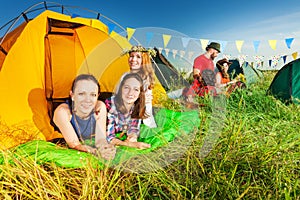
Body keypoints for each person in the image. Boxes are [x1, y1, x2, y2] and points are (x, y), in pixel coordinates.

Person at [53, 74, 116, 160]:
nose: (88, 100)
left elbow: (101, 140)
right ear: (72, 95)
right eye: (82, 94)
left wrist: (106, 150)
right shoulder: (62, 112)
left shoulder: (99, 108)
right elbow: (74, 144)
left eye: (93, 95)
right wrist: (95, 152)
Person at [105, 73, 151, 149]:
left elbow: (133, 128)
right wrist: (131, 145)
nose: (130, 93)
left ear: (140, 93)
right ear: (120, 89)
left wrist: (133, 137)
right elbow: (108, 137)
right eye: (126, 88)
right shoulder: (110, 105)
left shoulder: (137, 106)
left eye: (136, 89)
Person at [125, 45, 157, 128]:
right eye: (131, 56)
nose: (133, 59)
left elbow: (139, 99)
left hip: (142, 119)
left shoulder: (145, 77)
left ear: (144, 60)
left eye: (138, 57)